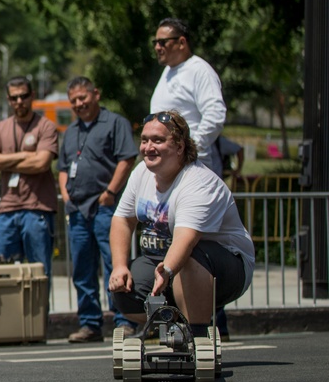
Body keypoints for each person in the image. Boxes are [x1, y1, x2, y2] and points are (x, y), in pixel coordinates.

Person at [108, 111, 255, 338]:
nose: (148, 147)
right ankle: (169, 324)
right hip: (172, 263)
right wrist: (119, 266)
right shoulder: (141, 173)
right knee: (125, 289)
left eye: (158, 140)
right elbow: (123, 220)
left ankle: (196, 334)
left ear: (180, 147)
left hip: (227, 268)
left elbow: (186, 239)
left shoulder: (197, 182)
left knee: (189, 258)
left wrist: (166, 271)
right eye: (145, 140)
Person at [57, 77, 138, 343]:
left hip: (106, 208)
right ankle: (90, 324)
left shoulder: (115, 123)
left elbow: (127, 158)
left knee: (114, 265)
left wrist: (110, 192)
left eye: (83, 98)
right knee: (82, 270)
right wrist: (66, 194)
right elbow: (62, 168)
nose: (79, 104)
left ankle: (124, 320)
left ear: (96, 94)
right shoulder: (70, 132)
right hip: (78, 209)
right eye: (74, 101)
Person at [0, 76, 59, 277]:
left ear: (32, 96)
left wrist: (5, 160)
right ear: (8, 99)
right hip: (7, 209)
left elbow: (41, 163)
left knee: (40, 272)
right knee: (3, 274)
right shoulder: (0, 128)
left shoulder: (45, 126)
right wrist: (25, 155)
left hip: (38, 209)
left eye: (23, 96)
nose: (19, 102)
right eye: (14, 98)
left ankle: (41, 310)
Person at [149, 17, 226, 176]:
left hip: (189, 168)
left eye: (163, 42)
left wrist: (191, 147)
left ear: (182, 42)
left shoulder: (199, 70)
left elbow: (215, 114)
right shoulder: (168, 71)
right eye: (155, 42)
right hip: (164, 166)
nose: (157, 47)